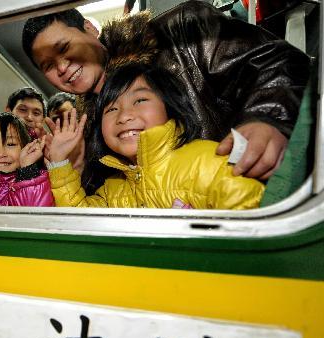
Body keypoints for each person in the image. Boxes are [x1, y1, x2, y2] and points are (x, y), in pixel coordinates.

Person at [22, 1, 310, 182]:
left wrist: (266, 119)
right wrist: (75, 167)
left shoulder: (182, 32)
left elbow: (274, 61)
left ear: (89, 29)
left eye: (64, 48)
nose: (61, 67)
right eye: (47, 65)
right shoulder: (83, 130)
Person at [45, 63, 265, 210]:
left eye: (140, 100)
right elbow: (81, 224)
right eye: (111, 109)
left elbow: (252, 222)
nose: (124, 116)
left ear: (170, 106)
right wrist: (60, 163)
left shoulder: (210, 161)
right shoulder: (113, 188)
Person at [46, 92, 85, 174]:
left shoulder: (97, 146)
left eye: (69, 117)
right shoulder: (47, 154)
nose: (65, 124)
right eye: (57, 120)